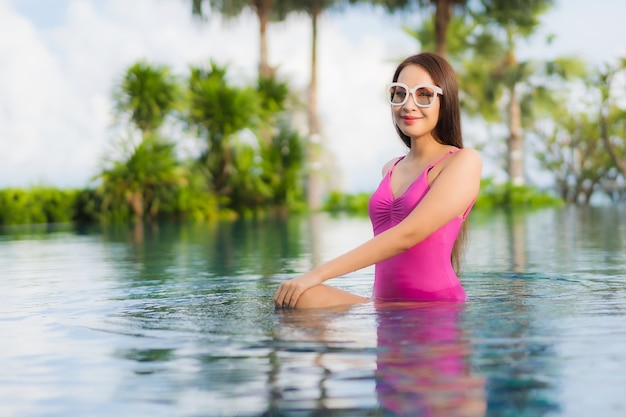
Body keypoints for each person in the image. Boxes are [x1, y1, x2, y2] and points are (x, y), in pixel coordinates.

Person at [274, 52, 482, 309]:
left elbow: (408, 234)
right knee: (297, 298)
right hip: (384, 307)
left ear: (444, 101)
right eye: (399, 93)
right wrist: (309, 282)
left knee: (305, 287)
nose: (408, 104)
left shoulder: (462, 162)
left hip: (434, 307)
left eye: (424, 94)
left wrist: (317, 273)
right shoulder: (390, 168)